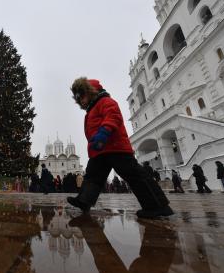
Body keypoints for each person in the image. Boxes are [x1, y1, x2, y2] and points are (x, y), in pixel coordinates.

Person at [66, 77, 173, 218]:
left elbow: (113, 117)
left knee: (133, 174)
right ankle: (84, 201)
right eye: (78, 98)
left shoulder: (105, 102)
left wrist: (104, 132)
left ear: (90, 91)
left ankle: (157, 206)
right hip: (99, 151)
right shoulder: (91, 110)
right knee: (92, 176)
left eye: (82, 95)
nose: (81, 100)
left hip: (116, 148)